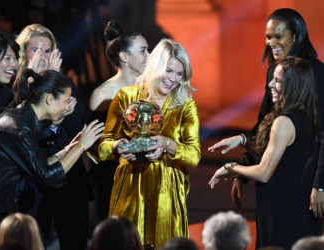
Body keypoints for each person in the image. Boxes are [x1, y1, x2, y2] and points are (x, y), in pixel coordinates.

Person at [208, 8, 324, 218]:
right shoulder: (274, 71)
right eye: (268, 37)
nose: (271, 43)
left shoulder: (317, 73)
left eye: (278, 36)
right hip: (272, 178)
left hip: (303, 179)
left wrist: (321, 186)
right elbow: (263, 123)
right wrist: (243, 170)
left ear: (296, 36)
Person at [0, 68, 104, 250]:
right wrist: (80, 147)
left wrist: (69, 148)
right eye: (65, 101)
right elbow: (46, 176)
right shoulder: (18, 126)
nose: (67, 108)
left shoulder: (24, 120)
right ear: (49, 99)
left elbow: (40, 164)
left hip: (3, 207)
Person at [209, 57, 323, 249]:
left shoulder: (284, 122)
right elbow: (283, 154)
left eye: (278, 80)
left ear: (294, 85)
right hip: (300, 212)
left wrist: (231, 168)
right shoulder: (308, 116)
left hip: (281, 213)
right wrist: (243, 140)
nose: (270, 84)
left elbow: (264, 172)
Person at [98, 38, 201, 249]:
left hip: (167, 195)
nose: (173, 79)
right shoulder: (126, 97)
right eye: (168, 71)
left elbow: (194, 155)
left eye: (179, 74)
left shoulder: (185, 105)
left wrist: (168, 144)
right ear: (154, 66)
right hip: (130, 188)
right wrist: (119, 147)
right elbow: (102, 148)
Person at [15, 23, 93, 250]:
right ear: (24, 53)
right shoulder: (17, 85)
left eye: (47, 51)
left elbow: (76, 129)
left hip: (67, 177)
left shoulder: (65, 84)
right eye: (34, 50)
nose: (41, 56)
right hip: (34, 180)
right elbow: (20, 127)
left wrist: (57, 84)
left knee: (74, 239)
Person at [88, 20, 149, 222]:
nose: (149, 57)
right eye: (143, 51)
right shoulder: (101, 95)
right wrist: (116, 149)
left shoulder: (153, 90)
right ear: (124, 57)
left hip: (149, 177)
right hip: (112, 180)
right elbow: (92, 145)